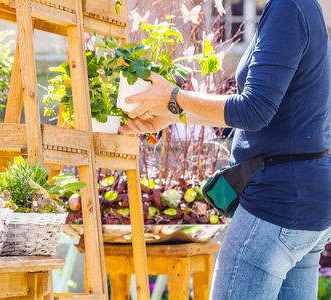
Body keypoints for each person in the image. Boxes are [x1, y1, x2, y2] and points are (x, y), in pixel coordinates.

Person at [119, 0, 331, 299]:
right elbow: (270, 111)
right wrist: (172, 112)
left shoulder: (287, 7)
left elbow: (253, 110)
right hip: (307, 202)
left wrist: (175, 96)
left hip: (277, 204)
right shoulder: (301, 7)